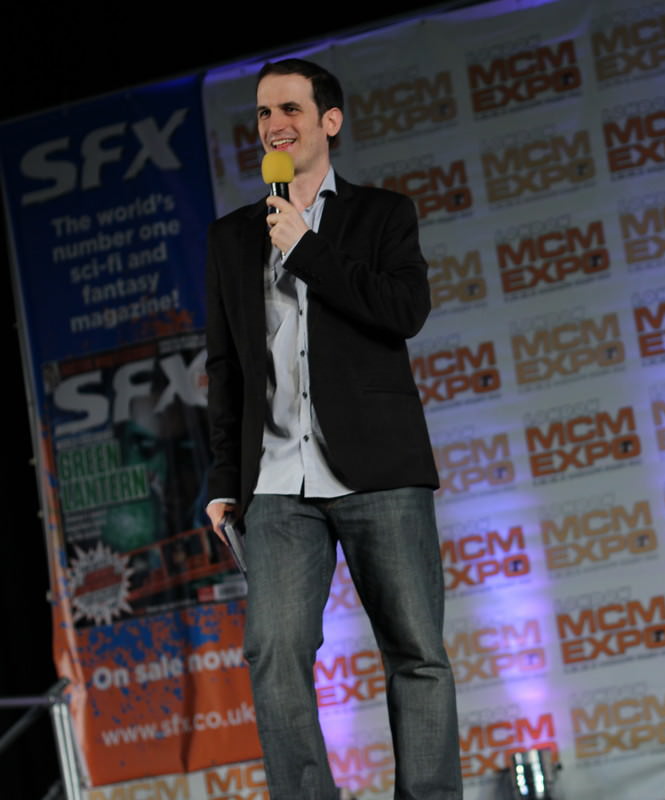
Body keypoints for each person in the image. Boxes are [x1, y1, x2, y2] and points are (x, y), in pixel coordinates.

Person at [205, 58, 461, 799]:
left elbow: (403, 312)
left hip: (379, 470)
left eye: (289, 109)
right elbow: (225, 367)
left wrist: (305, 248)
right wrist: (223, 480)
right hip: (276, 479)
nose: (273, 125)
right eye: (263, 113)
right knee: (273, 652)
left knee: (416, 652)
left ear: (329, 121)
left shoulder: (382, 215)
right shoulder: (231, 237)